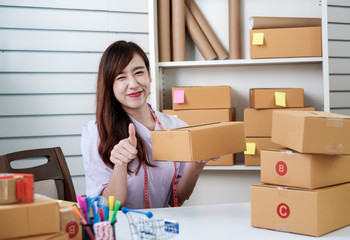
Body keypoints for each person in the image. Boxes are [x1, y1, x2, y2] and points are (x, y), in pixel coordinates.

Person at [81, 40, 216, 209]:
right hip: (122, 230)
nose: (133, 84)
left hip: (161, 228)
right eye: (121, 77)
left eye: (139, 72)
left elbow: (176, 200)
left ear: (149, 74)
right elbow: (108, 207)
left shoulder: (175, 125)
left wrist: (198, 163)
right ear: (110, 85)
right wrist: (120, 165)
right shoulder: (96, 132)